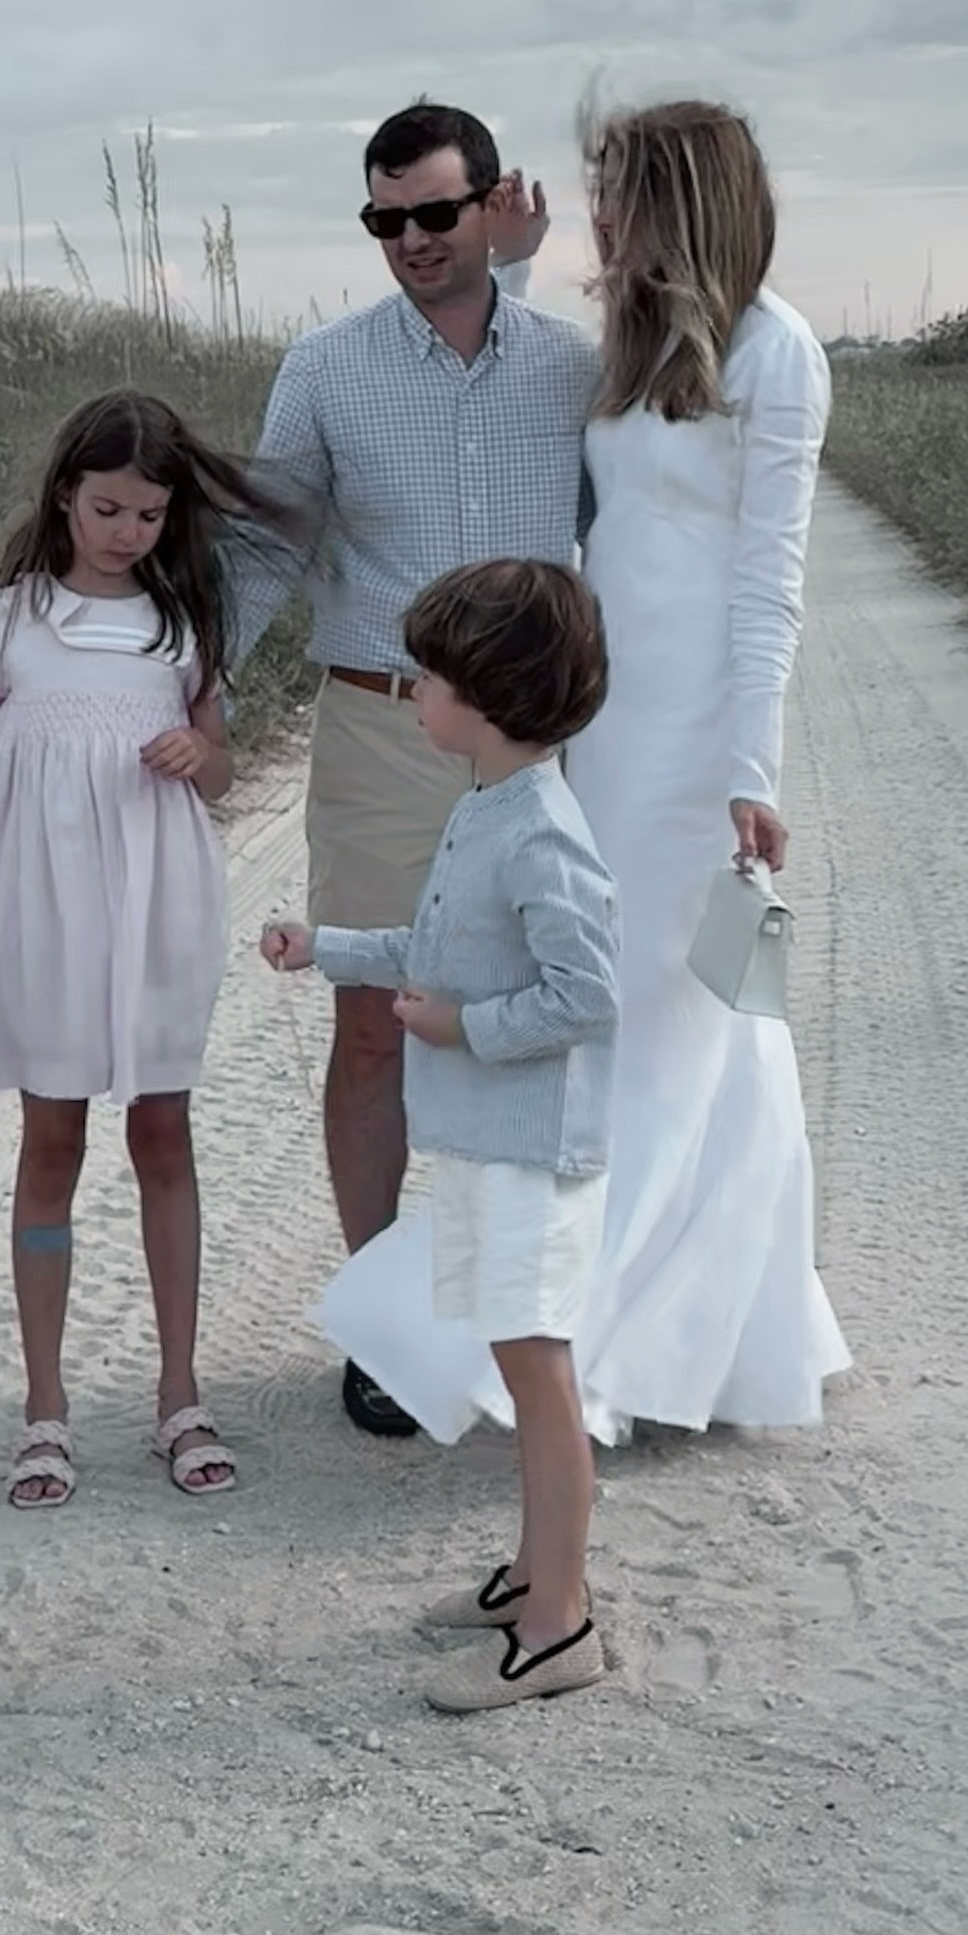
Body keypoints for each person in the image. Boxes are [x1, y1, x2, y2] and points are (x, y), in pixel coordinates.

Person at [321, 96, 850, 1448]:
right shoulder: (632, 344)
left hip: (694, 757)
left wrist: (753, 772)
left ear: (684, 196)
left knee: (688, 1033)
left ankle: (610, 1344)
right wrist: (494, 255)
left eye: (620, 190)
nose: (600, 214)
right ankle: (612, 1332)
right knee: (617, 1025)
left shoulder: (776, 353)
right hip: (603, 728)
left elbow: (770, 585)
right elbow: (488, 391)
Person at [231, 99, 597, 1436]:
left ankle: (540, 1316)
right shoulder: (326, 369)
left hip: (545, 752)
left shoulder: (570, 368)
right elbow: (269, 542)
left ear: (491, 207)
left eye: (435, 214)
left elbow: (633, 545)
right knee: (377, 1017)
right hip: (383, 729)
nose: (408, 241)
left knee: (546, 1022)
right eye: (384, 220)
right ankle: (385, 1321)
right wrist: (192, 687)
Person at [0, 390, 301, 1511]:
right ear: (65, 493)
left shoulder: (180, 623)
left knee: (163, 1128)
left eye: (150, 515)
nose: (127, 531)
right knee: (52, 1132)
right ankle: (45, 1405)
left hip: (155, 895)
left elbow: (217, 766)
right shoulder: (13, 617)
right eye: (108, 506)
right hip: (46, 904)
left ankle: (179, 1390)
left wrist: (191, 750)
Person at [262, 560, 619, 1710]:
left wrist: (464, 1027)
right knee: (520, 1373)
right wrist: (324, 947)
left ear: (491, 696)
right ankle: (534, 1574)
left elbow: (587, 996)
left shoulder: (543, 836)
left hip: (529, 1151)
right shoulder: (488, 809)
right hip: (483, 1145)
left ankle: (561, 1625)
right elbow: (431, 952)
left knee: (541, 1374)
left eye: (428, 677)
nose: (412, 693)